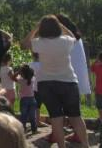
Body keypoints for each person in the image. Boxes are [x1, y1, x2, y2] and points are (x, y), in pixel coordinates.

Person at [22, 15, 89, 148]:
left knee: (56, 119)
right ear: (57, 27)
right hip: (68, 81)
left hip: (46, 84)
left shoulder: (39, 42)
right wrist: (61, 25)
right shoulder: (65, 41)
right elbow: (73, 36)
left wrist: (36, 28)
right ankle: (86, 145)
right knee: (76, 117)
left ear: (42, 29)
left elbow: (24, 44)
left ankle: (61, 146)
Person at [16, 64, 37, 134]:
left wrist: (18, 71)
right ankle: (34, 130)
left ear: (22, 73)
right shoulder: (32, 79)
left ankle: (23, 129)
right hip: (32, 99)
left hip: (24, 100)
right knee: (32, 116)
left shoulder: (20, 80)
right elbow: (33, 74)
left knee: (23, 116)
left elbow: (13, 77)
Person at [91, 52, 102, 127]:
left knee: (99, 107)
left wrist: (96, 60)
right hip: (98, 90)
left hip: (98, 90)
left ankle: (101, 119)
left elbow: (91, 68)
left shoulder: (97, 67)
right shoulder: (98, 67)